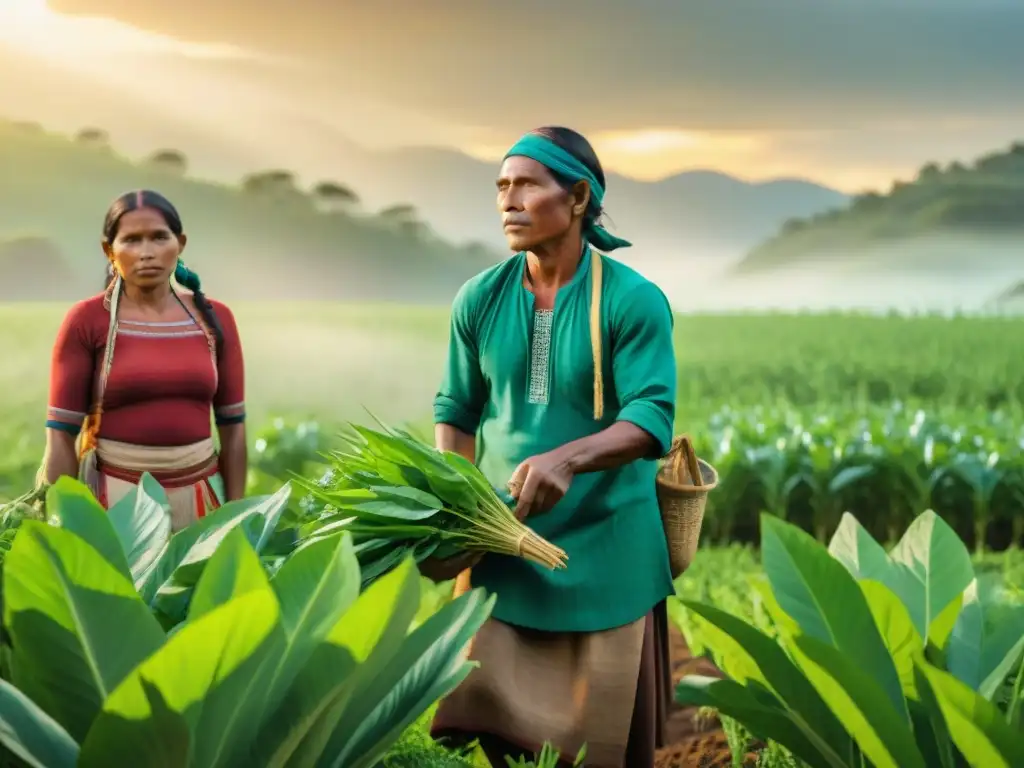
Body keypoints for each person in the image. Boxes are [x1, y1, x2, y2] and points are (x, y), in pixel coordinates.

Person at [425, 127, 677, 768]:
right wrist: (460, 501)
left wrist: (567, 459)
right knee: (495, 722)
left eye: (527, 185)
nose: (508, 201)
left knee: (599, 746)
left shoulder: (633, 300)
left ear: (579, 197)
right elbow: (456, 410)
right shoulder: (479, 298)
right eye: (502, 187)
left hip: (607, 549)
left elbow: (651, 417)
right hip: (505, 543)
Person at [42, 190, 247, 530]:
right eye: (132, 240)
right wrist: (65, 523)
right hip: (116, 503)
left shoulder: (215, 319)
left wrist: (237, 515)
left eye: (159, 237)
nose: (147, 252)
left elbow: (234, 429)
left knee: (202, 585)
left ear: (179, 243)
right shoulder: (88, 320)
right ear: (109, 250)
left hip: (201, 498)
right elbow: (61, 435)